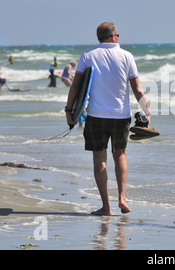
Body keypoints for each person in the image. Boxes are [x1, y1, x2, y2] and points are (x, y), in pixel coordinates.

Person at [65, 22, 151, 216]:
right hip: (121, 115)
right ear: (113, 37)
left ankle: (106, 207)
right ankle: (122, 197)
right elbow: (137, 88)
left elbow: (76, 86)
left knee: (99, 159)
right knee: (120, 155)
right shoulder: (127, 56)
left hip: (96, 115)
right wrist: (146, 110)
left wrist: (68, 111)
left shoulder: (88, 56)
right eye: (118, 35)